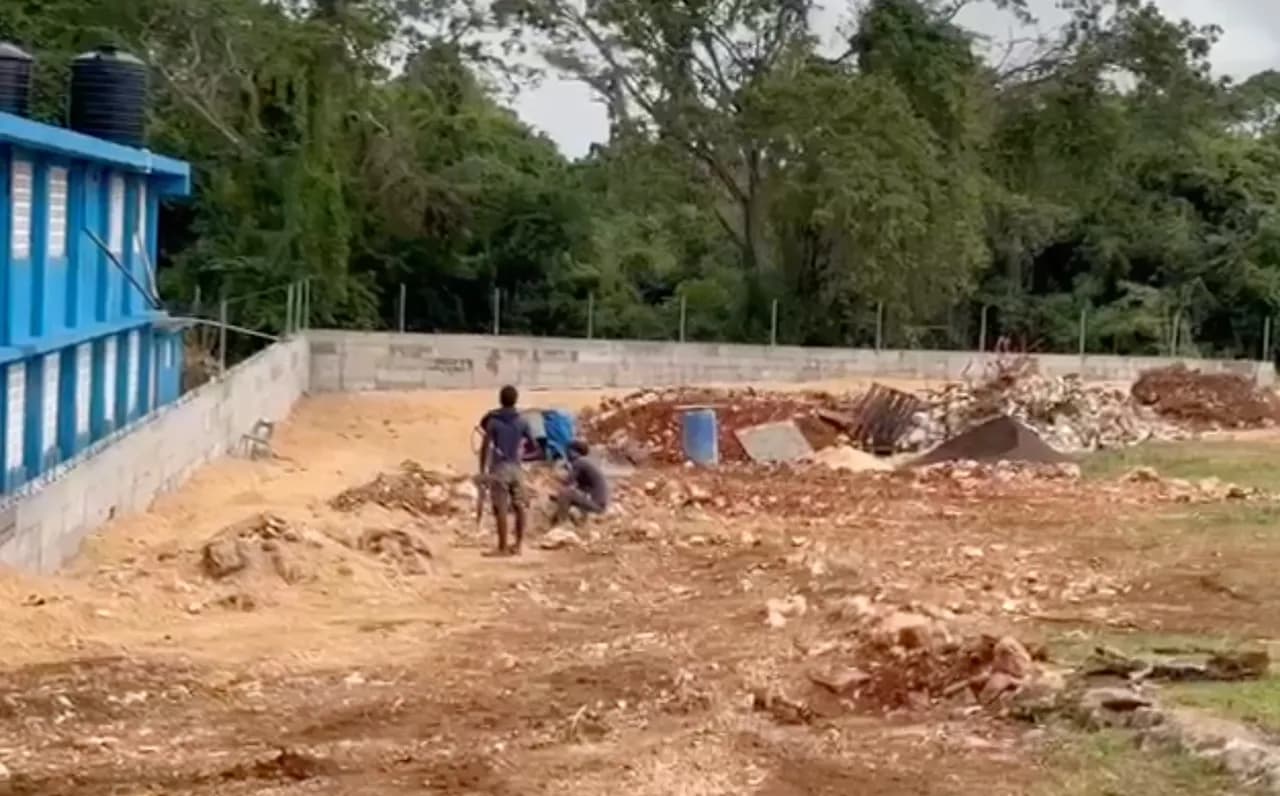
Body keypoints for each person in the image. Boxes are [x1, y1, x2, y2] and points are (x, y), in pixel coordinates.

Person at [478, 385, 538, 555]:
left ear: (500, 400)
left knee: (501, 508)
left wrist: (482, 470)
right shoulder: (522, 421)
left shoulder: (493, 422)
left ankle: (503, 548)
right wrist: (522, 456)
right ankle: (518, 546)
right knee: (519, 507)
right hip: (517, 468)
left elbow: (484, 448)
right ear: (515, 400)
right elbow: (534, 446)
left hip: (499, 468)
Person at [552, 440, 609, 526]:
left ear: (573, 451)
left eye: (567, 451)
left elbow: (568, 483)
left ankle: (562, 524)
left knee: (565, 493)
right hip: (598, 505)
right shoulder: (585, 463)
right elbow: (577, 487)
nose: (566, 455)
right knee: (566, 494)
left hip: (596, 506)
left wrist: (556, 475)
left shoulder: (579, 462)